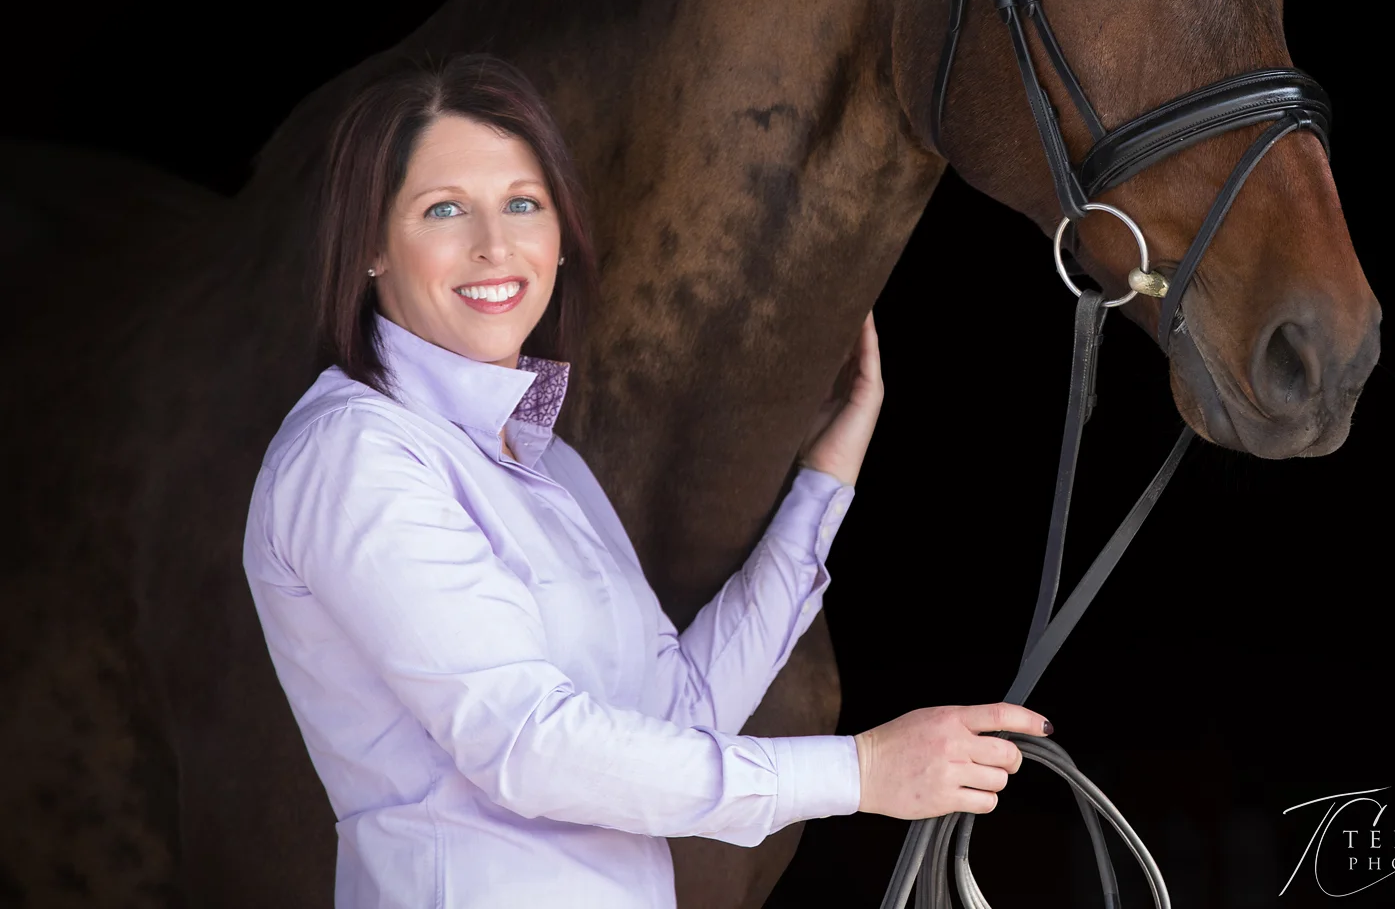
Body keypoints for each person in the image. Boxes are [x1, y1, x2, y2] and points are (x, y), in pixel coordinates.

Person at [243, 53, 1048, 907]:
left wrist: (825, 478)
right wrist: (861, 771)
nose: (495, 244)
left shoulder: (547, 463)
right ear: (371, 245)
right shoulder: (355, 454)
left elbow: (681, 711)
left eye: (524, 203)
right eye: (445, 208)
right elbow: (527, 745)